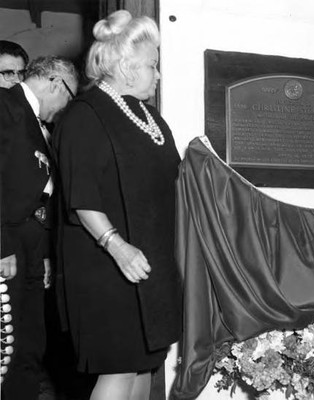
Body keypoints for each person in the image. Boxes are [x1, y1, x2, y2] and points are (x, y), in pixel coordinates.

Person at [53, 10, 182, 400]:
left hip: (149, 262)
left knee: (143, 367)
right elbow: (81, 195)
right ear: (126, 68)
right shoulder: (84, 115)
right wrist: (118, 246)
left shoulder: (150, 118)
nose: (158, 75)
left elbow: (172, 181)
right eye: (152, 66)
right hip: (107, 262)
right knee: (119, 370)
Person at [0, 55, 78, 400]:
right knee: (6, 344)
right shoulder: (5, 106)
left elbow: (40, 194)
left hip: (31, 246)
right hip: (8, 244)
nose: (66, 108)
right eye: (70, 98)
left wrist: (45, 254)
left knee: (29, 342)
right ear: (55, 84)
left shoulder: (38, 123)